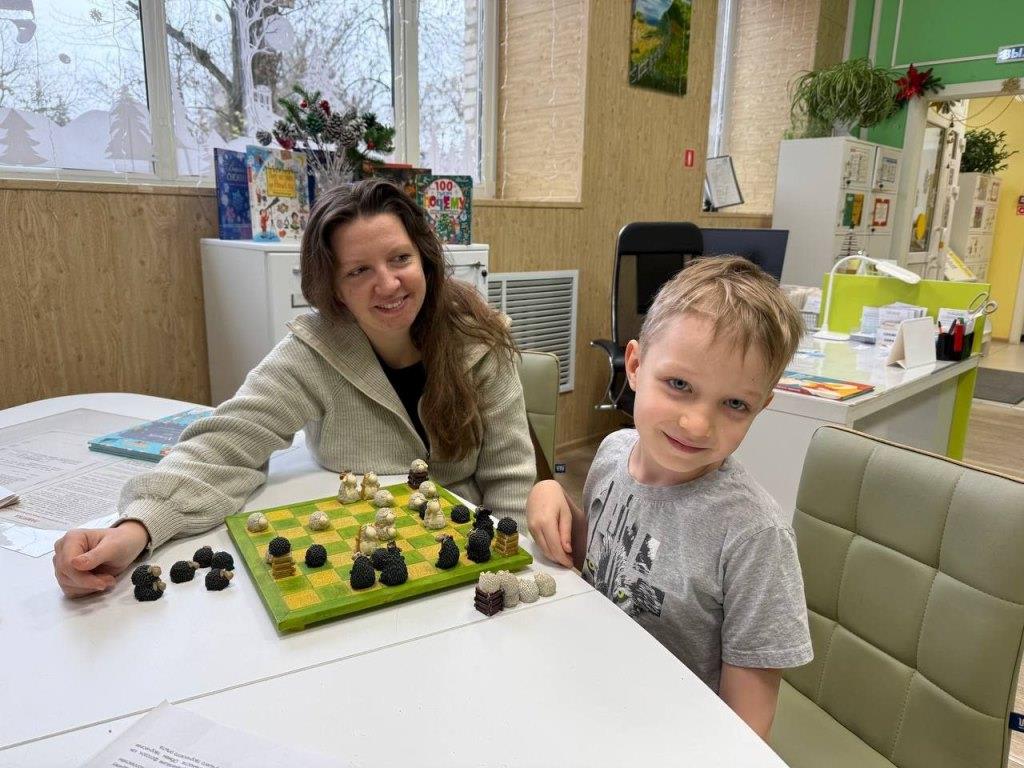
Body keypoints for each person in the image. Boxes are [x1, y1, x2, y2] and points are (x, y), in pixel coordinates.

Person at [54, 179, 536, 597]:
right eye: (359, 270)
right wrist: (136, 527)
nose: (388, 283)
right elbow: (226, 444)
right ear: (334, 287)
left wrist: (512, 572)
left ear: (424, 260)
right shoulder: (314, 350)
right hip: (367, 557)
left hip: (468, 563)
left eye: (399, 258)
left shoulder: (480, 339)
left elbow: (511, 479)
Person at [526, 257, 811, 740]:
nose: (697, 425)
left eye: (734, 404)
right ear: (635, 366)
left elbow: (746, 732)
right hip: (587, 692)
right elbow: (601, 556)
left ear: (761, 407)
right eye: (679, 385)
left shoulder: (756, 538)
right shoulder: (613, 453)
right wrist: (548, 491)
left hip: (670, 737)